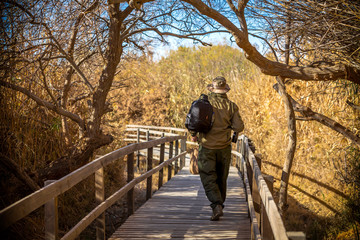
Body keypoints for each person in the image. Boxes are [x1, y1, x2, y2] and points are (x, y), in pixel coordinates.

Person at [189, 76, 244, 221]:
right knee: (222, 177)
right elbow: (239, 127)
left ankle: (216, 205)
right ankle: (220, 203)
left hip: (206, 146)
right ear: (225, 90)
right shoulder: (231, 106)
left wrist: (194, 135)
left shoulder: (204, 103)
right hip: (224, 148)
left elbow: (193, 121)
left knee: (208, 177)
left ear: (212, 89)